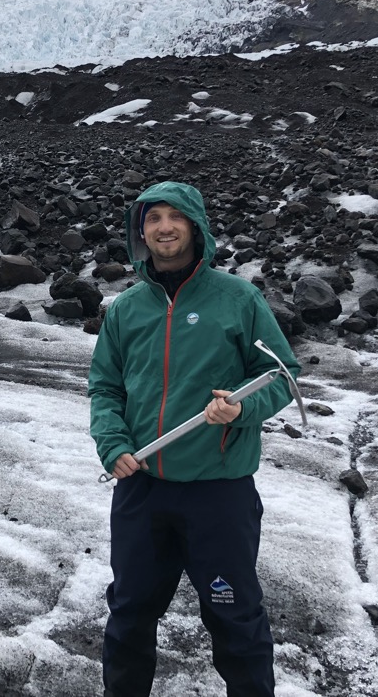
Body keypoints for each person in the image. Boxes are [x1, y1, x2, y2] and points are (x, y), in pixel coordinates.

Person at [88, 180, 301, 697]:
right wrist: (113, 445)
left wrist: (240, 410)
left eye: (174, 216)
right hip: (143, 484)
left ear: (195, 225)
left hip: (218, 489)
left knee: (235, 618)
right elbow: (106, 386)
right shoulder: (126, 308)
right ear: (141, 231)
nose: (164, 227)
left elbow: (281, 376)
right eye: (153, 218)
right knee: (131, 613)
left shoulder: (237, 298)